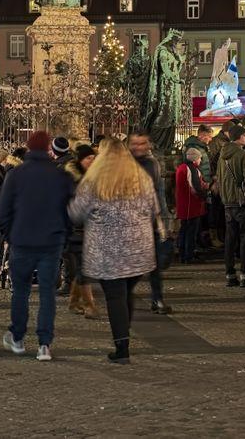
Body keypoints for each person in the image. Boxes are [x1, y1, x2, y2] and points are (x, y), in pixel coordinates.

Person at [70, 138, 158, 364]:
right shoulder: (141, 178)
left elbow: (76, 212)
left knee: (115, 296)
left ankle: (122, 347)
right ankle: (123, 335)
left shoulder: (94, 180)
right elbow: (154, 208)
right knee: (126, 291)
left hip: (108, 250)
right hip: (138, 248)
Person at [0, 131, 74, 362]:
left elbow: (3, 209)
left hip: (22, 241)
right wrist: (63, 234)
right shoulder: (61, 176)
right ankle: (44, 344)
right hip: (51, 242)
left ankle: (18, 337)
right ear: (48, 149)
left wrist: (8, 234)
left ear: (29, 149)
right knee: (47, 293)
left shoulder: (17, 174)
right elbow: (70, 209)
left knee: (21, 291)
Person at [128, 131, 174, 314]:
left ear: (148, 144)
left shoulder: (152, 164)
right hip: (128, 222)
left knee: (154, 264)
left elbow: (158, 192)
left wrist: (163, 219)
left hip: (149, 221)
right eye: (135, 144)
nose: (139, 147)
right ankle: (123, 297)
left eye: (142, 143)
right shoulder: (124, 163)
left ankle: (158, 298)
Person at [216, 123, 245, 287]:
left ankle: (230, 274)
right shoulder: (243, 155)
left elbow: (219, 177)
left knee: (230, 239)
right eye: (244, 135)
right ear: (238, 137)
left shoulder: (222, 155)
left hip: (228, 202)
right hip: (242, 202)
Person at [63, 144, 98, 319]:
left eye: (93, 158)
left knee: (84, 268)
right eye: (88, 158)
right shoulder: (71, 179)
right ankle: (89, 304)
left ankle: (73, 301)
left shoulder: (93, 178)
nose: (91, 161)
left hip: (90, 229)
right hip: (74, 230)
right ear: (80, 160)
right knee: (84, 269)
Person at [175, 147, 207, 264]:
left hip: (183, 206)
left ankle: (183, 255)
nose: (200, 161)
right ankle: (189, 255)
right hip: (191, 206)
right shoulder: (192, 169)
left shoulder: (181, 168)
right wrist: (204, 195)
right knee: (191, 231)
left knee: (184, 230)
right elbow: (196, 187)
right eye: (199, 158)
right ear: (194, 159)